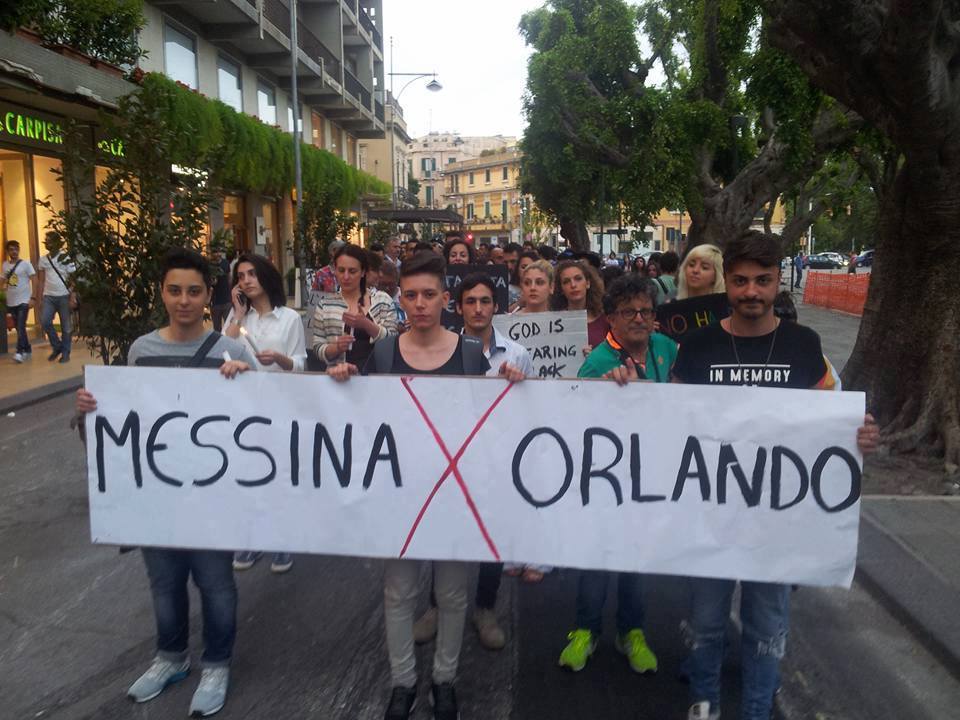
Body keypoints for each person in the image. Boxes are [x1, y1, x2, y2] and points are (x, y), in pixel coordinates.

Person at [671, 231, 879, 720]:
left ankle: (758, 711)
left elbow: (833, 417)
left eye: (762, 281)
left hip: (777, 523)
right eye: (741, 281)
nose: (751, 292)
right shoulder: (697, 346)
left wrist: (859, 434)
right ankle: (705, 705)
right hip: (711, 519)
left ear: (778, 281)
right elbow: (669, 424)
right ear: (728, 283)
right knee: (705, 624)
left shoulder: (804, 345)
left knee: (768, 628)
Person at [327, 253, 524, 720]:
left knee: (453, 594)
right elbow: (368, 419)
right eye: (410, 296)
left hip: (454, 494)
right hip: (401, 493)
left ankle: (444, 680)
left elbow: (487, 423)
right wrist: (342, 381)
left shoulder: (471, 354)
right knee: (399, 592)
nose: (419, 305)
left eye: (429, 295)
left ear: (444, 300)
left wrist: (513, 387)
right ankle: (402, 683)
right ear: (401, 299)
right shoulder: (385, 353)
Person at [74, 247, 255, 718]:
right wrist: (90, 410)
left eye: (194, 291)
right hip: (156, 497)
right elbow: (125, 423)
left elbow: (260, 426)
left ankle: (217, 664)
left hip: (212, 498)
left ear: (208, 295)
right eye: (174, 290)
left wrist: (247, 380)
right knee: (163, 582)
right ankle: (171, 657)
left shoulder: (230, 351)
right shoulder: (142, 350)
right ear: (162, 292)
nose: (184, 300)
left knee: (216, 583)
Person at [558, 274, 676, 675]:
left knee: (635, 562)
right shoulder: (597, 363)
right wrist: (605, 393)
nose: (639, 319)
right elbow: (578, 422)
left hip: (651, 479)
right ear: (611, 318)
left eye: (645, 311)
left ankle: (632, 632)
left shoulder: (669, 349)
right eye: (628, 312)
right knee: (597, 559)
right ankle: (585, 631)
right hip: (606, 482)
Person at [413, 272, 535, 651]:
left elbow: (532, 413)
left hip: (497, 461)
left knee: (491, 535)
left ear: (495, 306)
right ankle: (437, 606)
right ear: (458, 306)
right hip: (450, 458)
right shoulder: (443, 351)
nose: (478, 309)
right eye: (471, 301)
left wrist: (518, 386)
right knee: (445, 531)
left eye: (485, 301)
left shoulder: (517, 355)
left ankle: (485, 607)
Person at [223, 253, 307, 573]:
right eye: (241, 275)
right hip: (242, 407)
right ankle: (252, 536)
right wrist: (237, 314)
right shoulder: (236, 319)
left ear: (265, 277)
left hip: (279, 405)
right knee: (247, 471)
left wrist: (282, 360)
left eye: (252, 273)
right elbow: (219, 351)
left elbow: (300, 365)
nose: (246, 280)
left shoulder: (289, 319)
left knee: (278, 474)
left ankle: (282, 539)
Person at [312, 244, 398, 369]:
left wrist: (367, 325)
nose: (346, 277)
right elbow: (317, 346)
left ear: (363, 272)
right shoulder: (325, 305)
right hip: (338, 378)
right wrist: (335, 348)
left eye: (352, 271)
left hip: (378, 379)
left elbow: (393, 342)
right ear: (335, 270)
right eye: (341, 270)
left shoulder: (382, 300)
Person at [36, 231, 76, 363]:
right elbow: (41, 280)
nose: (48, 244)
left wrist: (72, 297)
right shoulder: (43, 260)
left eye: (50, 241)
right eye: (46, 241)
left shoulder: (65, 258)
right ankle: (57, 346)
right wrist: (39, 298)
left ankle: (65, 352)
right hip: (49, 296)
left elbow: (73, 279)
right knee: (45, 321)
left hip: (64, 296)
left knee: (66, 327)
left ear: (57, 243)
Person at [552, 259, 609, 351]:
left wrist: (595, 359)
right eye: (566, 281)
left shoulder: (606, 320)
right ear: (561, 289)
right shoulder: (553, 322)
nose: (573, 285)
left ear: (588, 283)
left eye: (578, 279)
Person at [1, 240, 38, 363]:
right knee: (18, 327)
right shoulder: (5, 265)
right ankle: (27, 348)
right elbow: (2, 280)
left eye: (16, 249)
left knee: (21, 326)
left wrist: (33, 297)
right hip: (11, 301)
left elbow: (35, 280)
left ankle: (19, 351)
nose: (14, 251)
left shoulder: (26, 264)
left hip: (24, 300)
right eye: (11, 249)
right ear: (7, 251)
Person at [209, 249, 233, 332]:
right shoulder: (209, 265)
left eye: (218, 251)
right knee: (217, 328)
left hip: (227, 300)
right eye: (215, 251)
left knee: (228, 325)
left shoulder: (225, 263)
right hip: (215, 301)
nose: (217, 254)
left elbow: (229, 278)